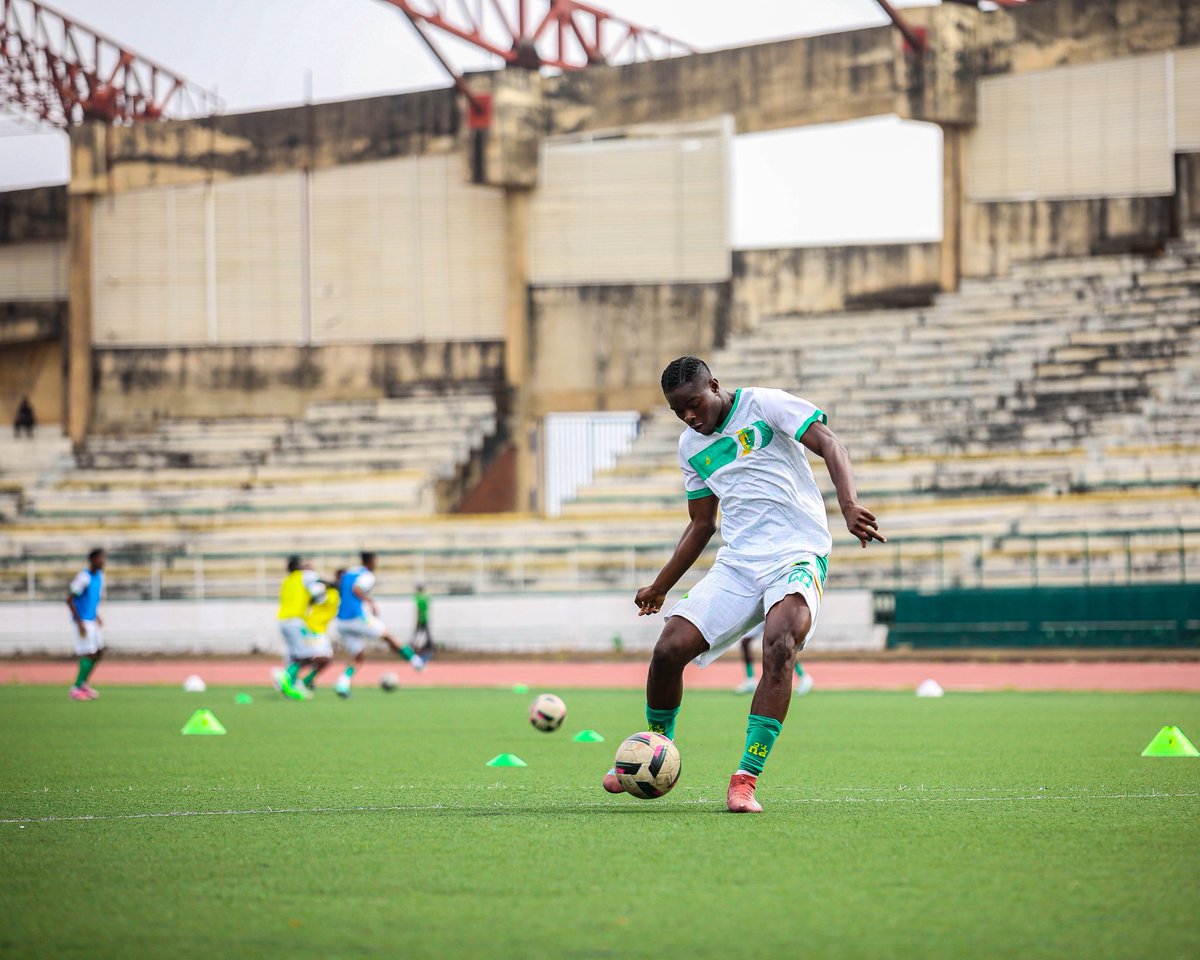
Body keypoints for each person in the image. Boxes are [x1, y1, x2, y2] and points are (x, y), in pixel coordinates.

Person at [602, 357, 886, 813]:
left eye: (694, 405)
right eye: (680, 412)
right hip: (739, 562)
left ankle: (745, 780)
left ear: (714, 386)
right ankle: (653, 751)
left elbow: (831, 444)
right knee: (668, 649)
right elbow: (701, 524)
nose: (691, 417)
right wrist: (660, 586)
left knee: (779, 645)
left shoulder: (766, 405)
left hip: (797, 551)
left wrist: (850, 506)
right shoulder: (690, 446)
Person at [333, 552, 425, 698]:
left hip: (341, 622)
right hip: (357, 618)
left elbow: (339, 584)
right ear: (370, 562)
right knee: (387, 635)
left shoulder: (350, 572)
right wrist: (371, 602)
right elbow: (356, 589)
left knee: (358, 656)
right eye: (375, 561)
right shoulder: (368, 576)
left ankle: (342, 683)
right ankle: (415, 661)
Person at [275, 555, 327, 700]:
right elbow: (319, 590)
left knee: (294, 655)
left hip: (282, 620)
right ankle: (284, 677)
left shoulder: (287, 581)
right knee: (306, 654)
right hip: (296, 621)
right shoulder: (304, 576)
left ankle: (290, 688)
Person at [66, 548, 106, 700]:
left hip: (91, 620)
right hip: (83, 621)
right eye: (101, 559)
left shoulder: (99, 576)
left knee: (99, 652)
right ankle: (76, 689)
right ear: (93, 560)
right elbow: (69, 599)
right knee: (88, 653)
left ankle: (83, 684)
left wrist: (96, 615)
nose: (103, 562)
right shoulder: (84, 577)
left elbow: (91, 599)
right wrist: (79, 621)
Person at [734, 621, 813, 696]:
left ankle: (804, 677)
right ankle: (750, 680)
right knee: (745, 642)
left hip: (771, 612)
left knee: (782, 645)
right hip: (761, 613)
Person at [412, 584, 434, 659]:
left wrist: (418, 619)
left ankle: (414, 647)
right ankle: (430, 647)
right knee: (427, 634)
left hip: (421, 618)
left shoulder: (419, 598)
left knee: (416, 633)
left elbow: (419, 609)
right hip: (425, 617)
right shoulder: (425, 597)